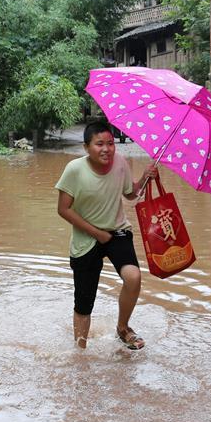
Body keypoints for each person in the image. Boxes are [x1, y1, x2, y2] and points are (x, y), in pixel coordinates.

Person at [55, 121, 158, 350]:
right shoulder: (74, 169)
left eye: (110, 143)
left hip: (117, 231)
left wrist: (144, 178)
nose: (106, 149)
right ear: (86, 147)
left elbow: (130, 194)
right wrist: (96, 233)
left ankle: (122, 328)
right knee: (84, 303)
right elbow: (63, 209)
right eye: (99, 144)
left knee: (133, 277)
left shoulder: (120, 162)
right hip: (87, 237)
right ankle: (80, 353)